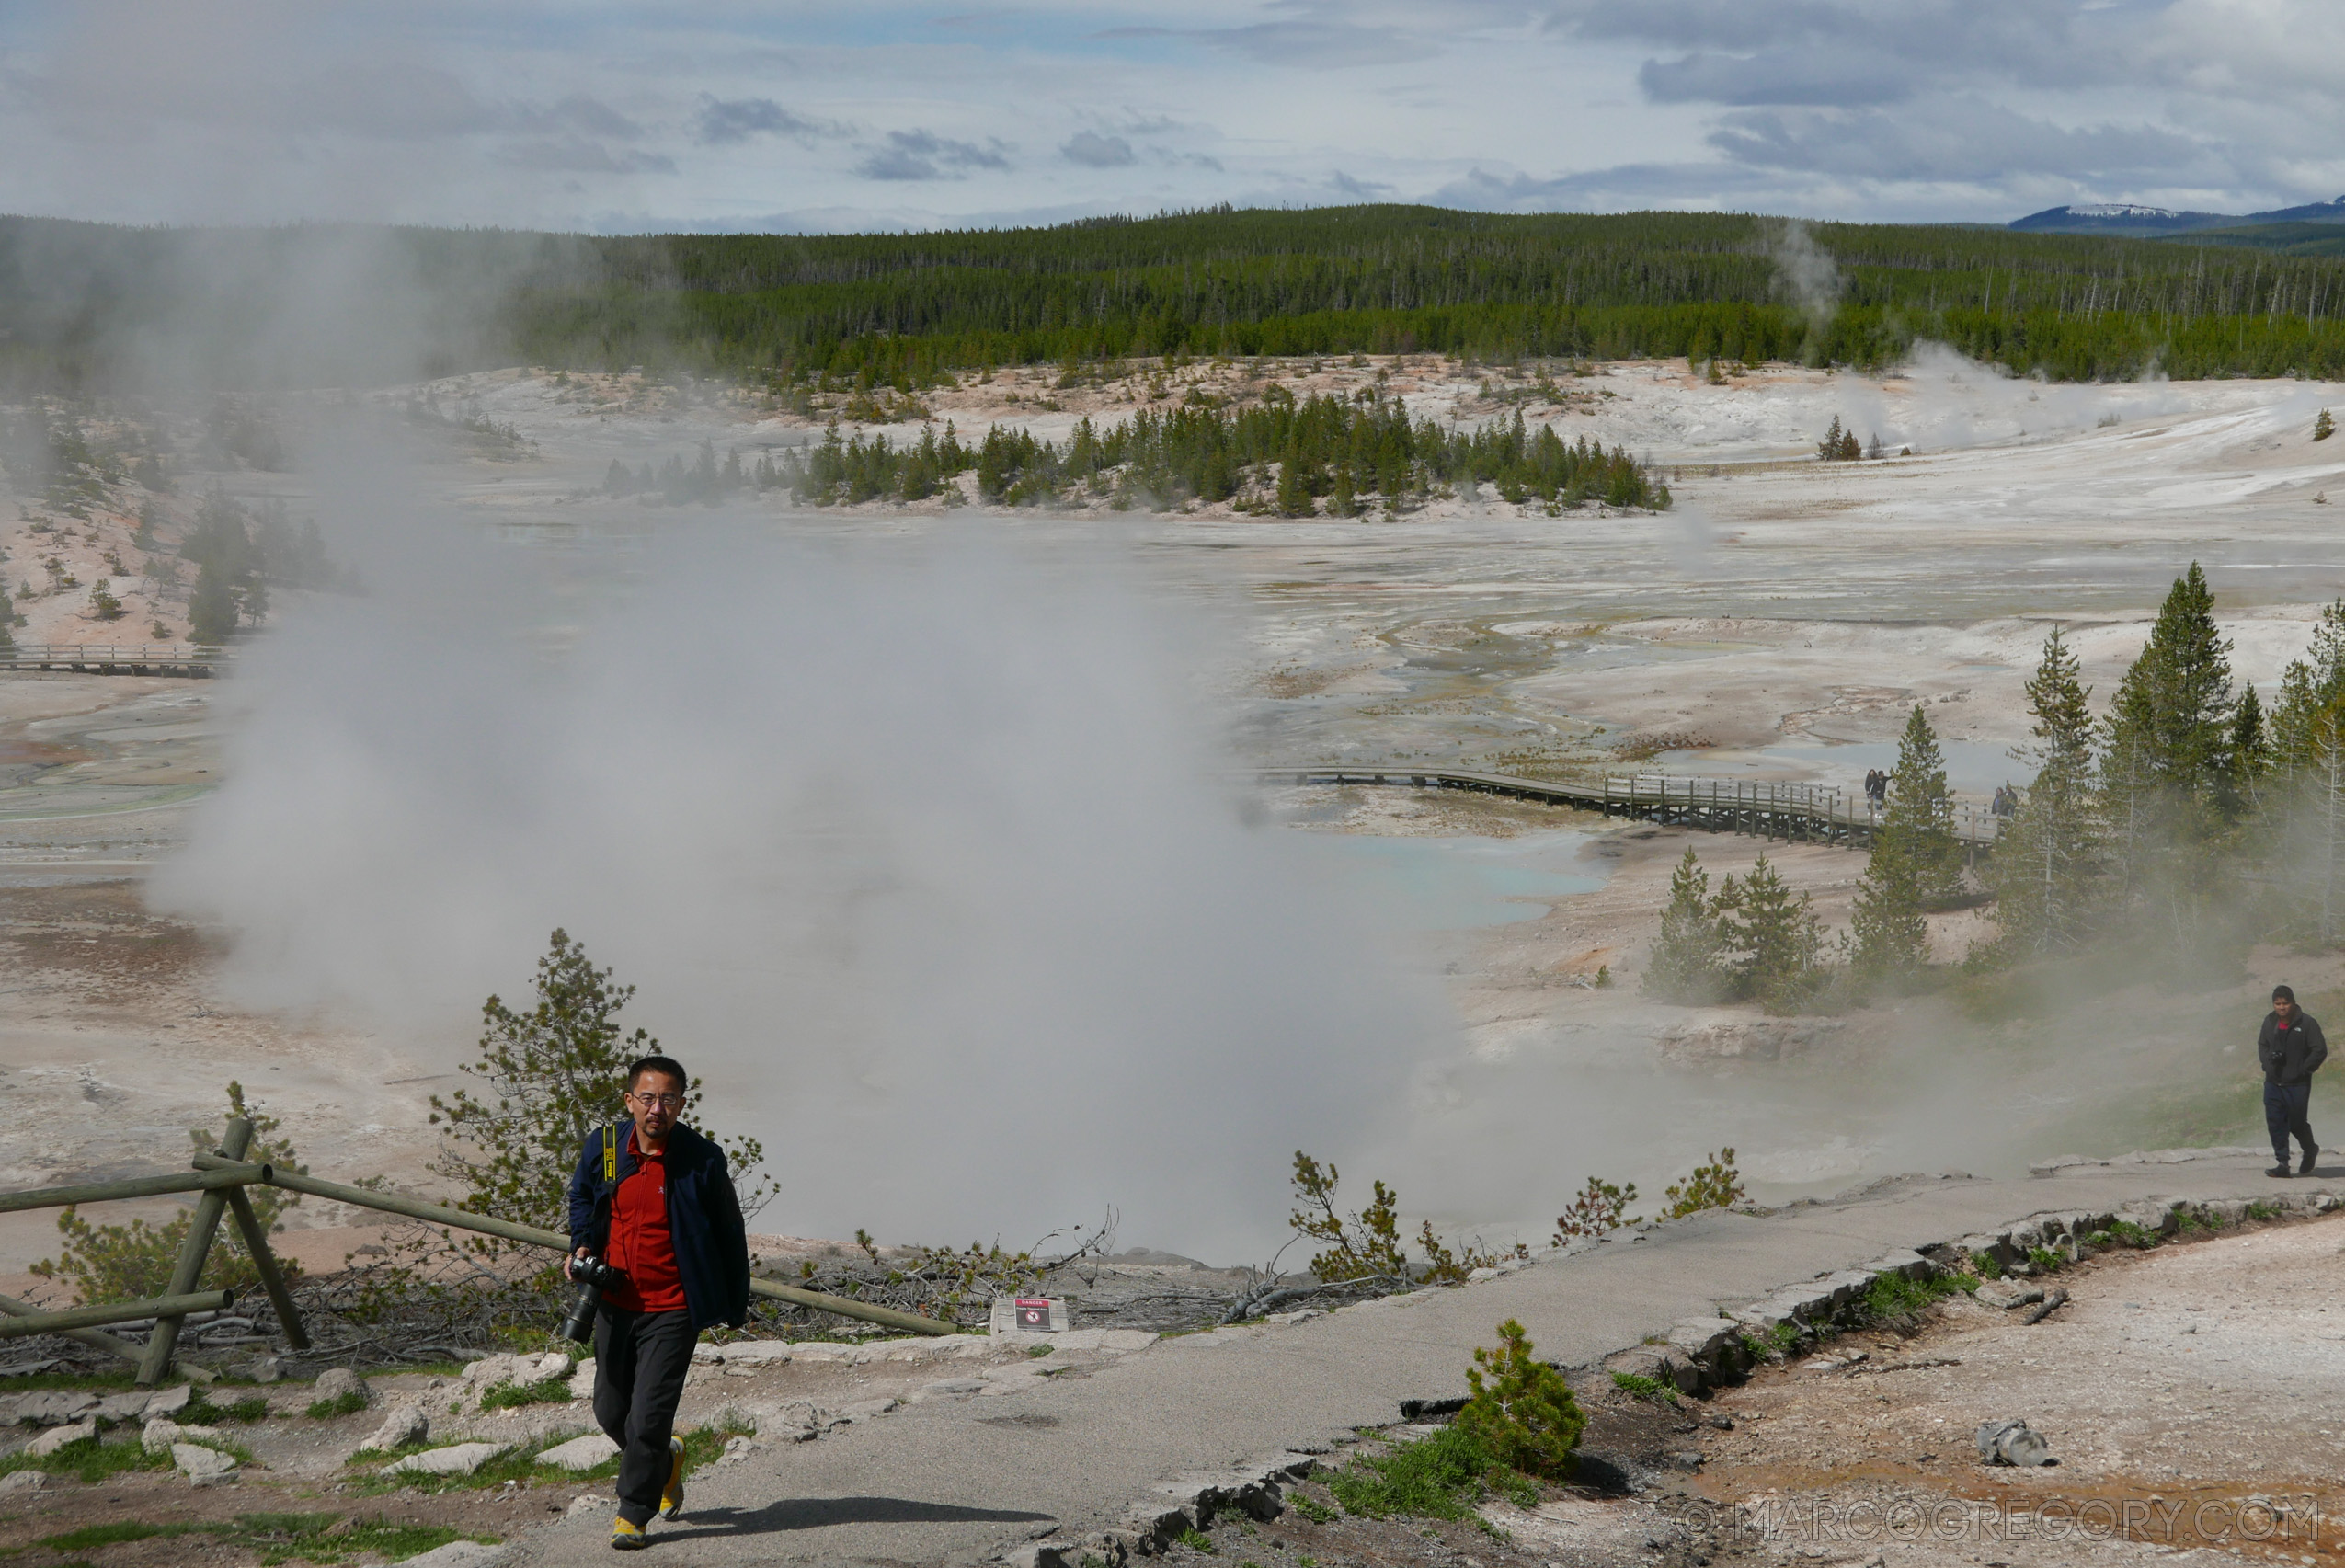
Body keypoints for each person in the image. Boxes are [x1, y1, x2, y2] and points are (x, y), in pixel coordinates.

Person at [566, 1055, 751, 1550]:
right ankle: (666, 1464)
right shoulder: (605, 1147)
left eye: (668, 1099)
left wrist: (735, 1303)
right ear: (629, 1101)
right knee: (610, 1411)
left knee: (648, 1415)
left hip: (673, 1307)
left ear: (681, 1104)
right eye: (647, 1098)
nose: (657, 1109)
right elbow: (582, 1198)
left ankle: (633, 1513)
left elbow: (731, 1234)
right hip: (615, 1302)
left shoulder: (702, 1159)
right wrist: (581, 1244)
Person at [2258, 986, 2328, 1179]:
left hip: (2297, 1084)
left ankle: (2310, 1149)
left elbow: (2319, 1050)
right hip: (2273, 1082)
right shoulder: (2269, 1021)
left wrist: (2303, 1070)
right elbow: (2262, 1044)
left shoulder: (2307, 1023)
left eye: (2285, 1003)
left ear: (2293, 1003)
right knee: (2275, 1121)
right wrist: (2267, 1063)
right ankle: (2282, 1163)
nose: (2281, 1008)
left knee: (2296, 1123)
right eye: (2277, 1004)